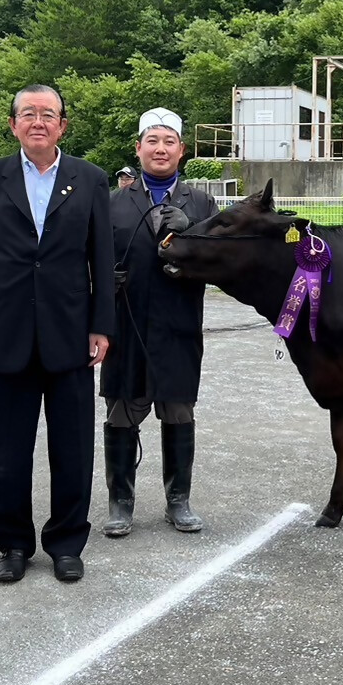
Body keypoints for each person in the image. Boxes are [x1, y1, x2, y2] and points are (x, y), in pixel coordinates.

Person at [0, 84, 114, 585]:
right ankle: (13, 544)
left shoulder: (90, 179)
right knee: (6, 451)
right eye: (28, 113)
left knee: (73, 448)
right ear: (13, 124)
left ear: (62, 125)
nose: (37, 121)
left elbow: (101, 259)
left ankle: (66, 543)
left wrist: (101, 325)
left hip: (70, 333)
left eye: (48, 114)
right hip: (7, 332)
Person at [100, 107, 219, 538]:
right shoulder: (111, 203)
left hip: (178, 325)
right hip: (126, 324)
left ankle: (178, 500)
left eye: (169, 142)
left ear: (182, 150)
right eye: (152, 141)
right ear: (138, 148)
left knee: (179, 410)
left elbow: (219, 263)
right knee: (121, 413)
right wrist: (102, 280)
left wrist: (193, 231)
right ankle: (120, 503)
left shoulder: (202, 203)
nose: (160, 149)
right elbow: (88, 258)